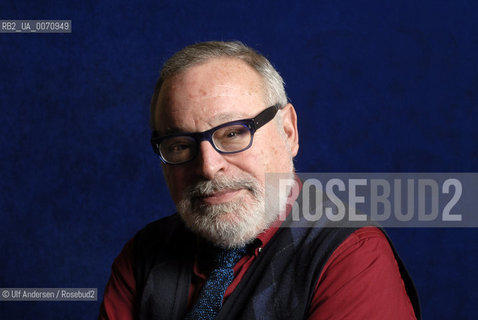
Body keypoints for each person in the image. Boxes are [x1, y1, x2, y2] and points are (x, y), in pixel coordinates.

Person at [99, 41, 421, 319]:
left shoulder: (351, 257)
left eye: (234, 133)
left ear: (288, 132)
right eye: (181, 145)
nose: (209, 168)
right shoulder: (143, 255)